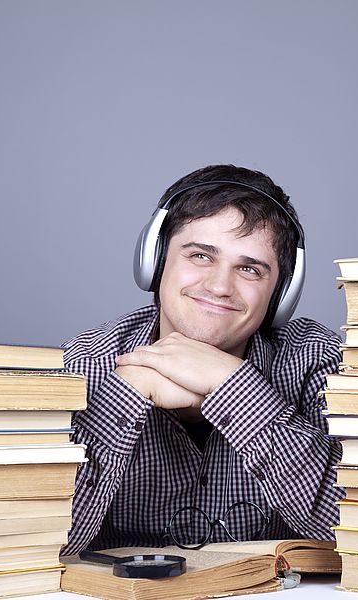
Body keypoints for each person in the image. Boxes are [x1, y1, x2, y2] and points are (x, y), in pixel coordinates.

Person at [61, 164, 343, 555]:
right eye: (200, 256)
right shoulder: (82, 364)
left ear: (281, 294)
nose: (219, 286)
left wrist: (235, 390)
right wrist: (124, 394)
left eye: (249, 268)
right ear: (155, 261)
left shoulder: (316, 361)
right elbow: (40, 540)